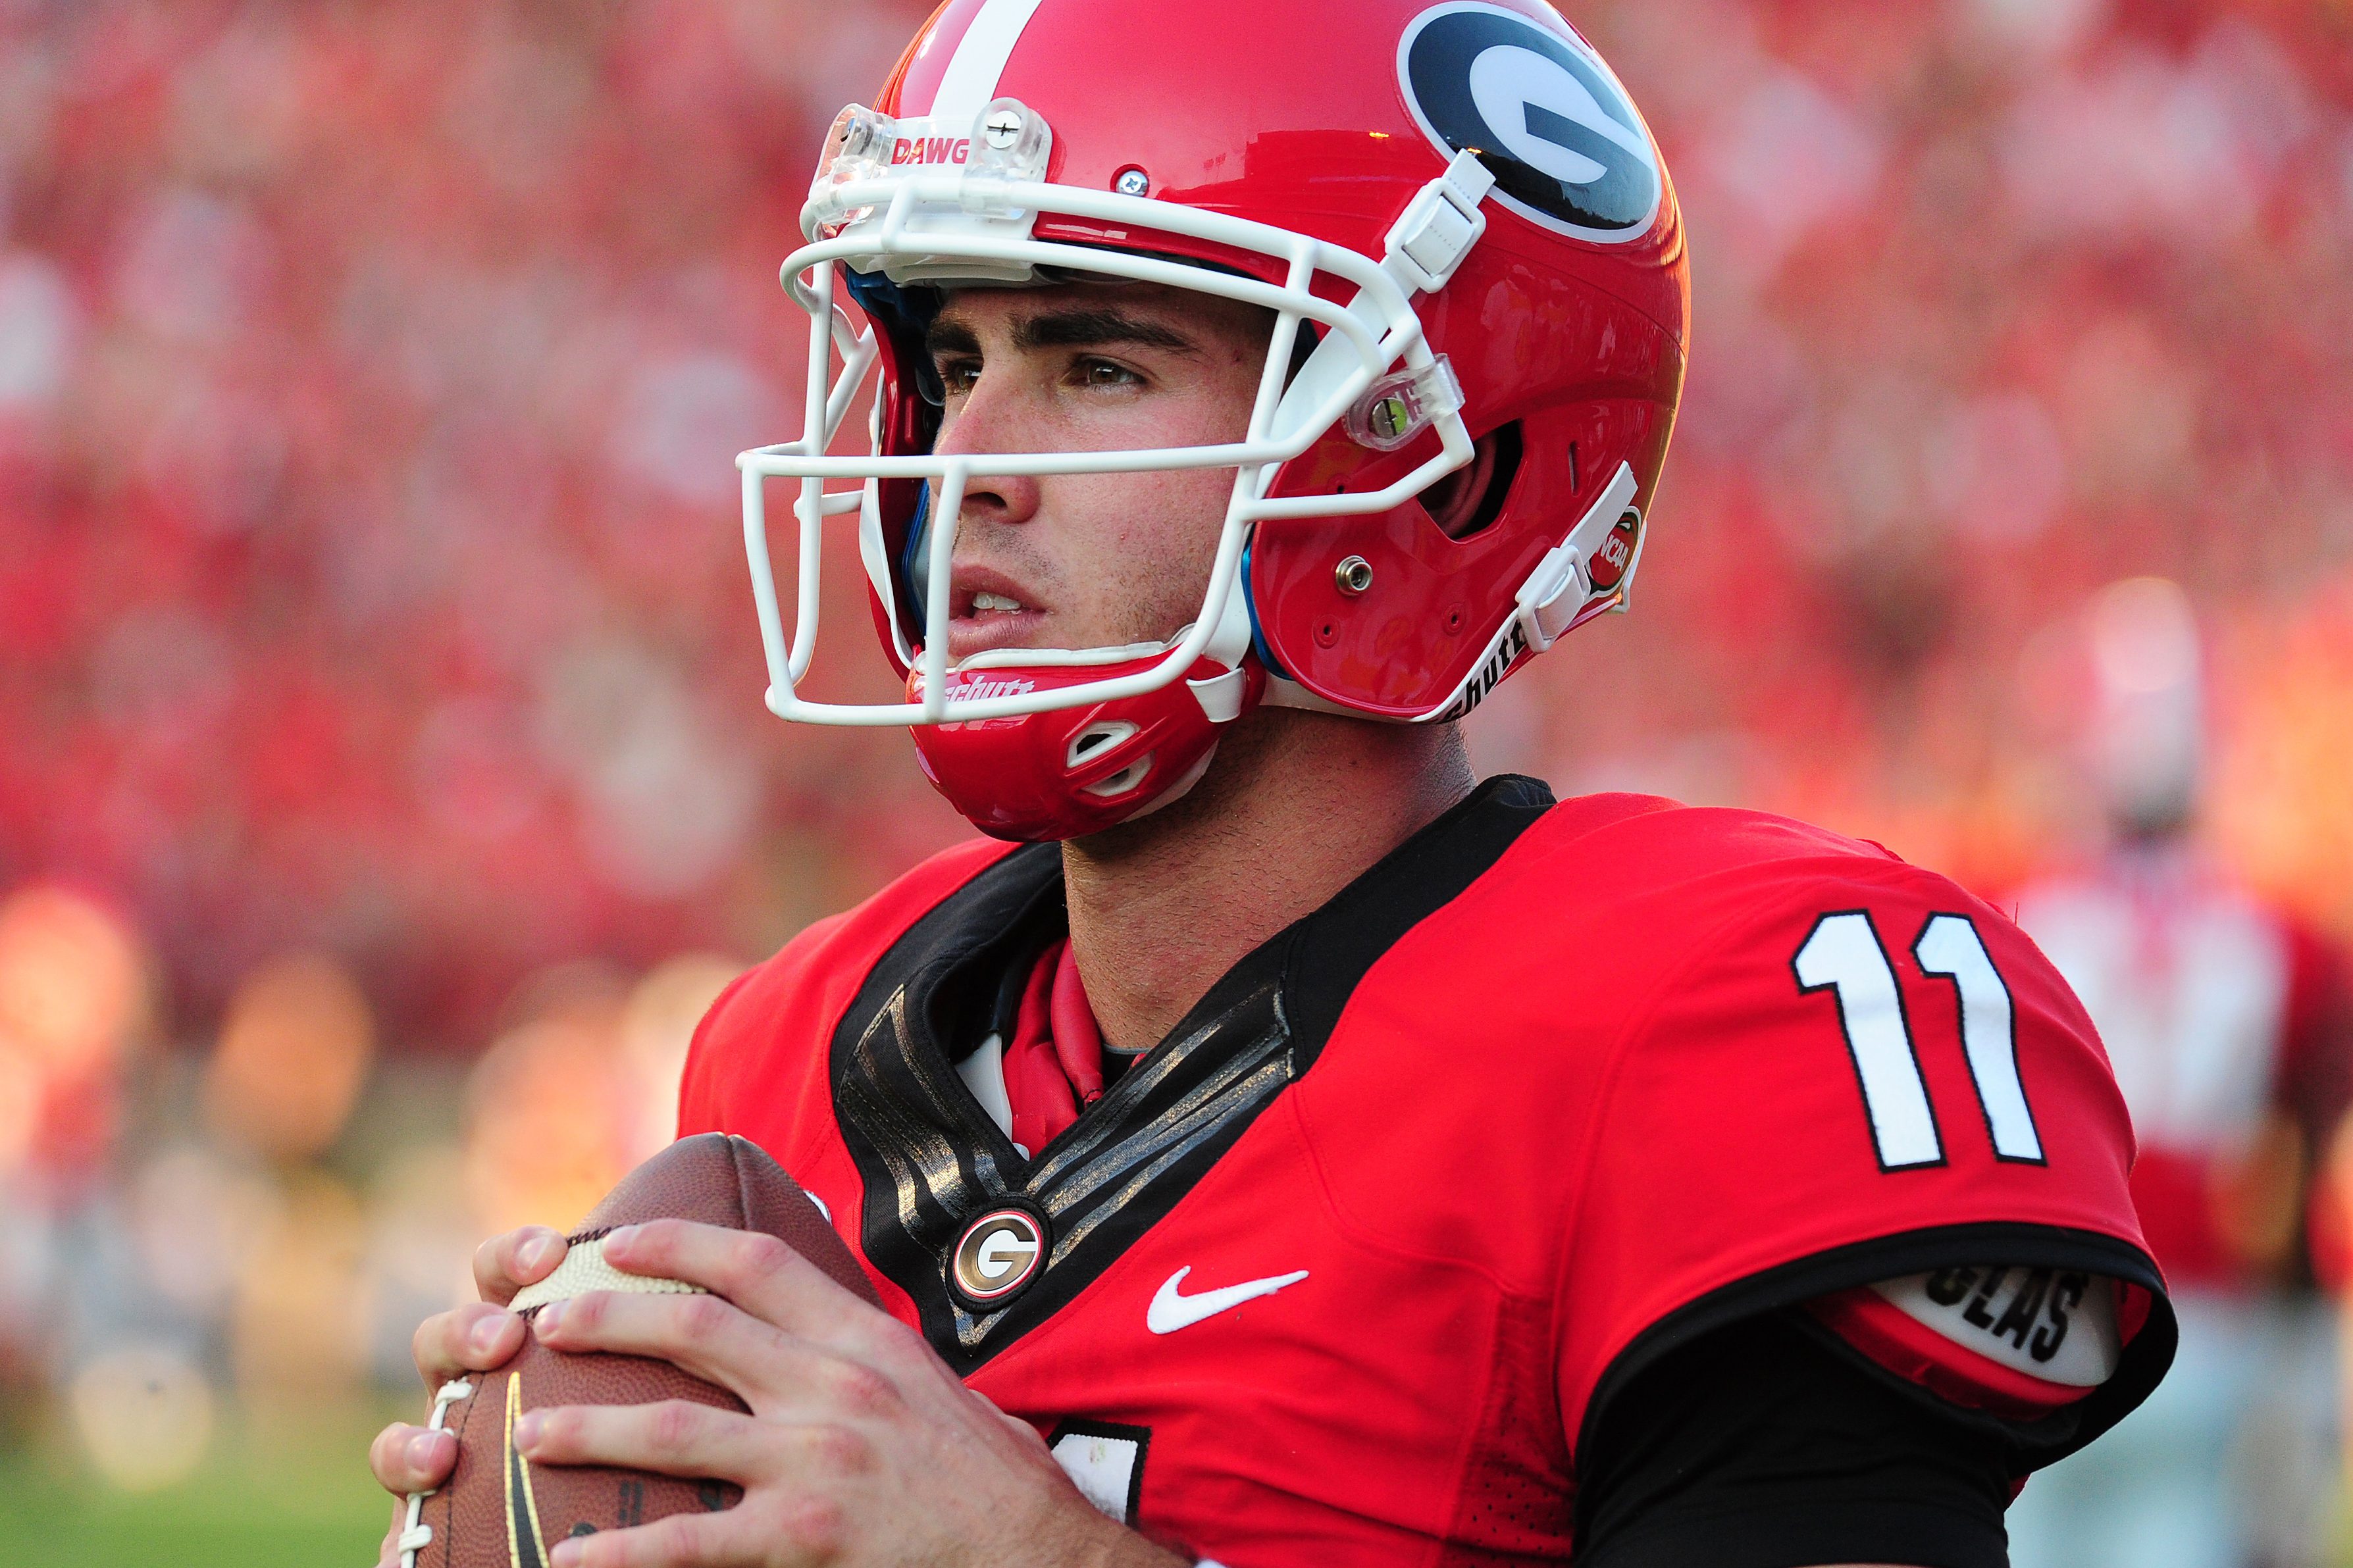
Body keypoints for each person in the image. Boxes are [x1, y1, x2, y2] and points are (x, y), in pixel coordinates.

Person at [373, 2, 2174, 1564]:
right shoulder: (787, 1048)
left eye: (1095, 362)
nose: (968, 466)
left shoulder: (1723, 1024)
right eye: (950, 362)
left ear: (1433, 462)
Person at [2004, 578, 2351, 1568]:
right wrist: (2300, 1374)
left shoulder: (2002, 911)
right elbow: (2302, 1194)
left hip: (2030, 1321)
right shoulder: (2286, 943)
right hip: (2197, 1337)